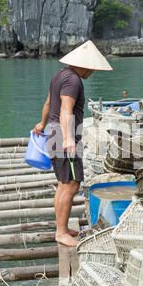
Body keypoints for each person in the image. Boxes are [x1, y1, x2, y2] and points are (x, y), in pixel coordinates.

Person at [32, 40, 113, 247]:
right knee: (70, 185)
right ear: (84, 65)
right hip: (62, 136)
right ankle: (61, 232)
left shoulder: (59, 75)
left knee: (64, 184)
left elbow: (49, 104)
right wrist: (68, 139)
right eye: (92, 68)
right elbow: (66, 110)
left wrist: (42, 124)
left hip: (53, 133)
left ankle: (63, 227)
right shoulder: (73, 81)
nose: (92, 72)